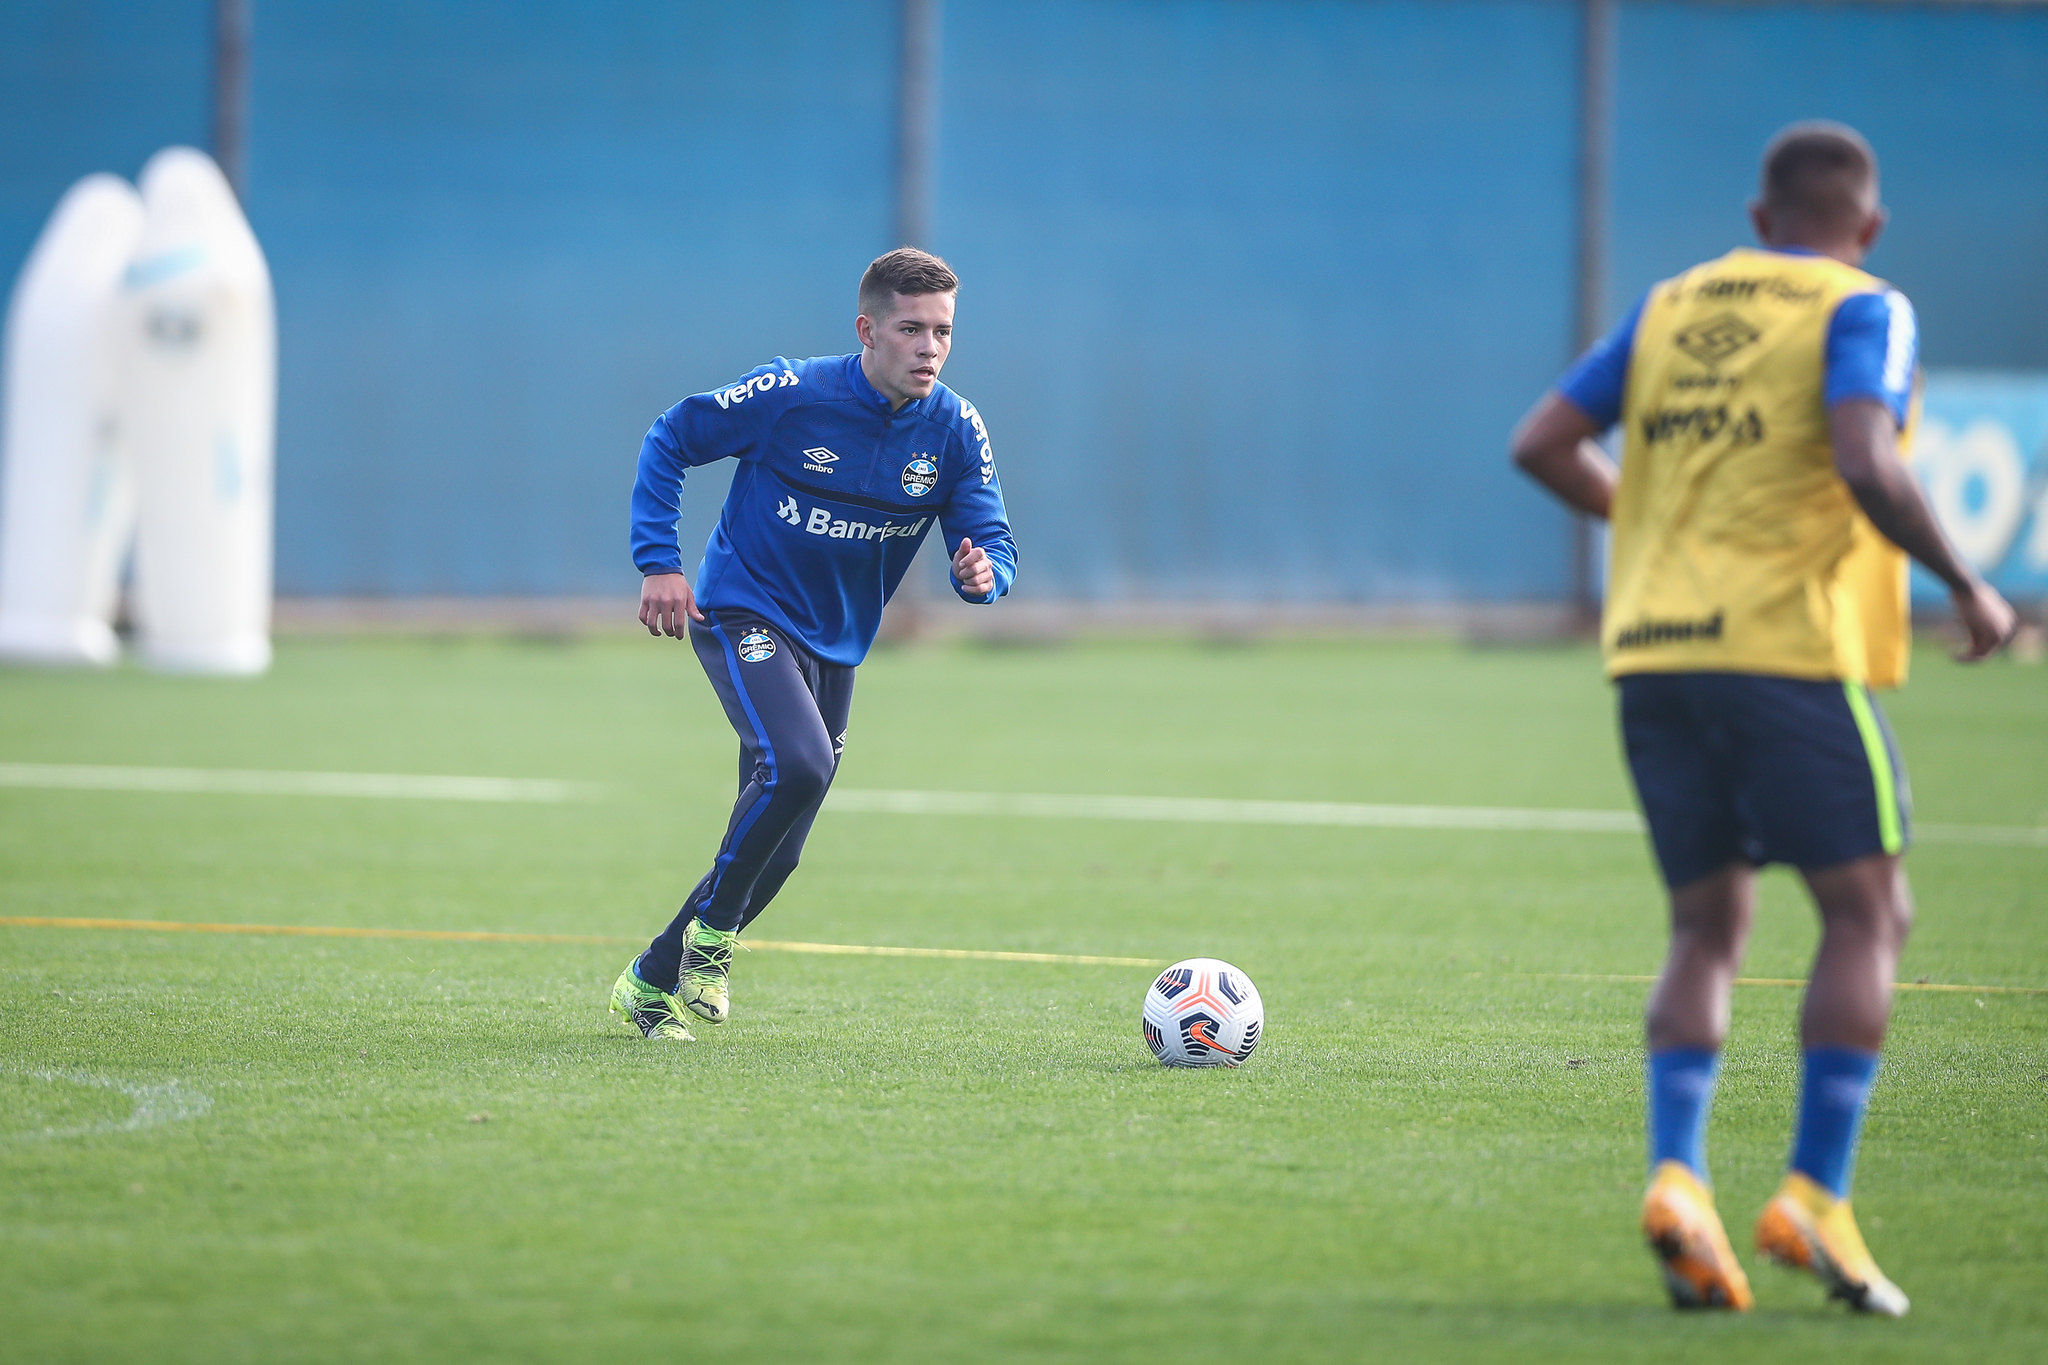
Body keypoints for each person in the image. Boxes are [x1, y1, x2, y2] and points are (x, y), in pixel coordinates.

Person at [1510, 122, 2015, 1316]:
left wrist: (1651, 527)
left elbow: (1542, 443)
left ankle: (1677, 1177)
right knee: (1867, 912)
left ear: (1755, 218)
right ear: (1868, 225)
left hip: (1652, 655)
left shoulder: (1668, 307)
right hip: (1785, 651)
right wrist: (1967, 582)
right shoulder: (1863, 306)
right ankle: (1813, 1195)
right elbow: (1864, 458)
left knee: (1705, 926)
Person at [612, 247, 1016, 1042]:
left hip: (835, 645)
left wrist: (983, 575)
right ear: (867, 331)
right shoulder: (791, 395)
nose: (930, 347)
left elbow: (993, 543)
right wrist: (659, 561)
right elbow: (671, 437)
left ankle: (650, 979)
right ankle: (712, 939)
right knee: (800, 764)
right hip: (744, 610)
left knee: (781, 848)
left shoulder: (956, 430)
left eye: (942, 331)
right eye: (910, 329)